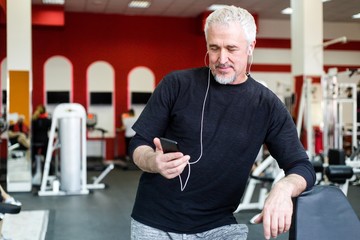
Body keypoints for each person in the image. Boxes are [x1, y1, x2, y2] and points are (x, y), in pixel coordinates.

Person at [129, 5, 316, 240]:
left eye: (231, 48)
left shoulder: (267, 105)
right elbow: (138, 144)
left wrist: (284, 188)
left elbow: (302, 166)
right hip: (156, 223)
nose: (221, 59)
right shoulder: (176, 84)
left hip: (219, 226)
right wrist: (153, 161)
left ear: (251, 47)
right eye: (214, 48)